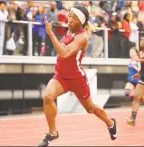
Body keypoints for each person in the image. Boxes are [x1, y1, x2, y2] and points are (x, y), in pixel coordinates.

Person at [38, 5, 118, 147]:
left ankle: (110, 123)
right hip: (61, 76)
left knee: (90, 109)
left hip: (76, 79)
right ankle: (52, 132)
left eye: (74, 18)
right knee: (48, 97)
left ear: (81, 22)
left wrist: (50, 33)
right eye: (70, 16)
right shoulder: (68, 32)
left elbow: (64, 53)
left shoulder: (83, 37)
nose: (70, 20)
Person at [125, 47, 144, 116]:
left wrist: (134, 66)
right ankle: (138, 94)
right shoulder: (130, 60)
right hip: (131, 81)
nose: (131, 53)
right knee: (127, 93)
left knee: (142, 96)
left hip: (138, 81)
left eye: (132, 52)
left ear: (136, 53)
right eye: (130, 52)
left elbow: (140, 70)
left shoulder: (138, 61)